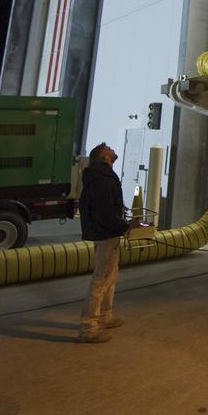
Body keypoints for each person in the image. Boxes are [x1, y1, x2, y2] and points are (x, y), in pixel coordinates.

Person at [78, 142, 134, 343]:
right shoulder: (103, 179)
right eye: (108, 148)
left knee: (110, 276)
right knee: (101, 279)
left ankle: (105, 315)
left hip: (105, 232)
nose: (112, 149)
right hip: (106, 233)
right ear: (104, 156)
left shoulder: (99, 176)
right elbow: (105, 211)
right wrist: (124, 226)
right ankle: (89, 327)